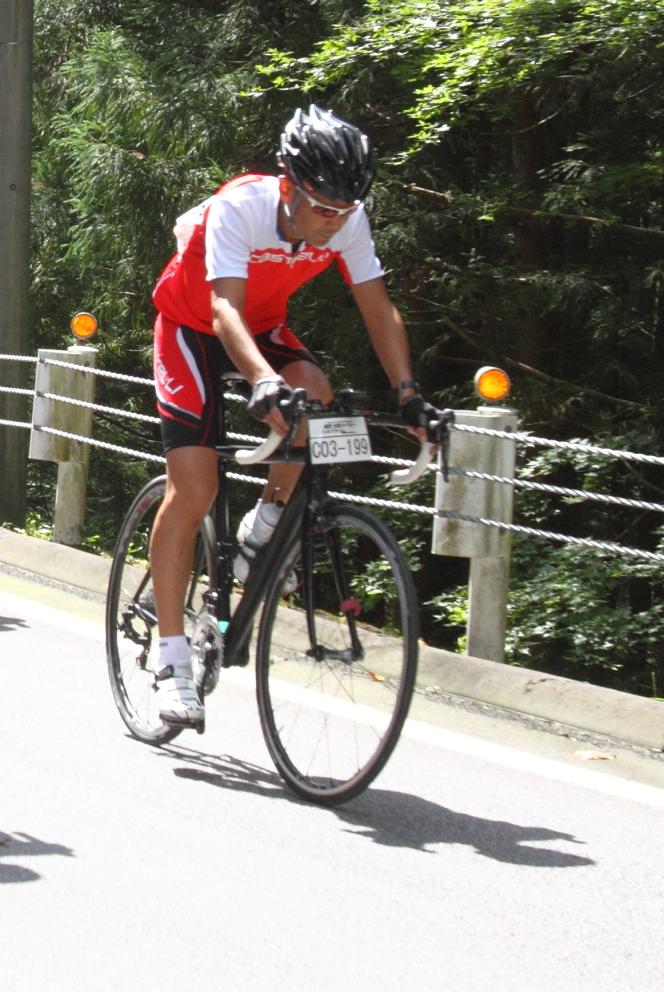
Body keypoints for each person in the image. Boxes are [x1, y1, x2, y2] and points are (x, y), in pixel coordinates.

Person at [141, 104, 446, 728]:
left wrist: (410, 393)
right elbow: (224, 310)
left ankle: (267, 523)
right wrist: (259, 381)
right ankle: (170, 658)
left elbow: (378, 307)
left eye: (344, 210)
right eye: (323, 209)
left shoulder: (347, 216)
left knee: (317, 396)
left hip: (264, 327)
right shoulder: (242, 206)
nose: (334, 223)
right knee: (194, 487)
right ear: (288, 186)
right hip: (194, 329)